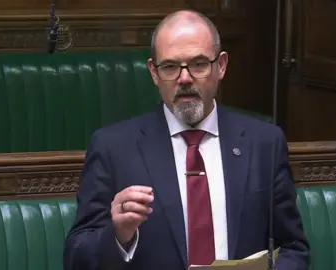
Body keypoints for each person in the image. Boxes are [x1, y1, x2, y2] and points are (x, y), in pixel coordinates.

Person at [63, 9, 310, 270]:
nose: (184, 78)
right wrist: (118, 235)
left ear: (221, 66)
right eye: (170, 66)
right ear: (154, 72)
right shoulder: (114, 148)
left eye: (199, 64)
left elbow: (293, 248)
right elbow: (76, 258)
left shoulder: (265, 143)